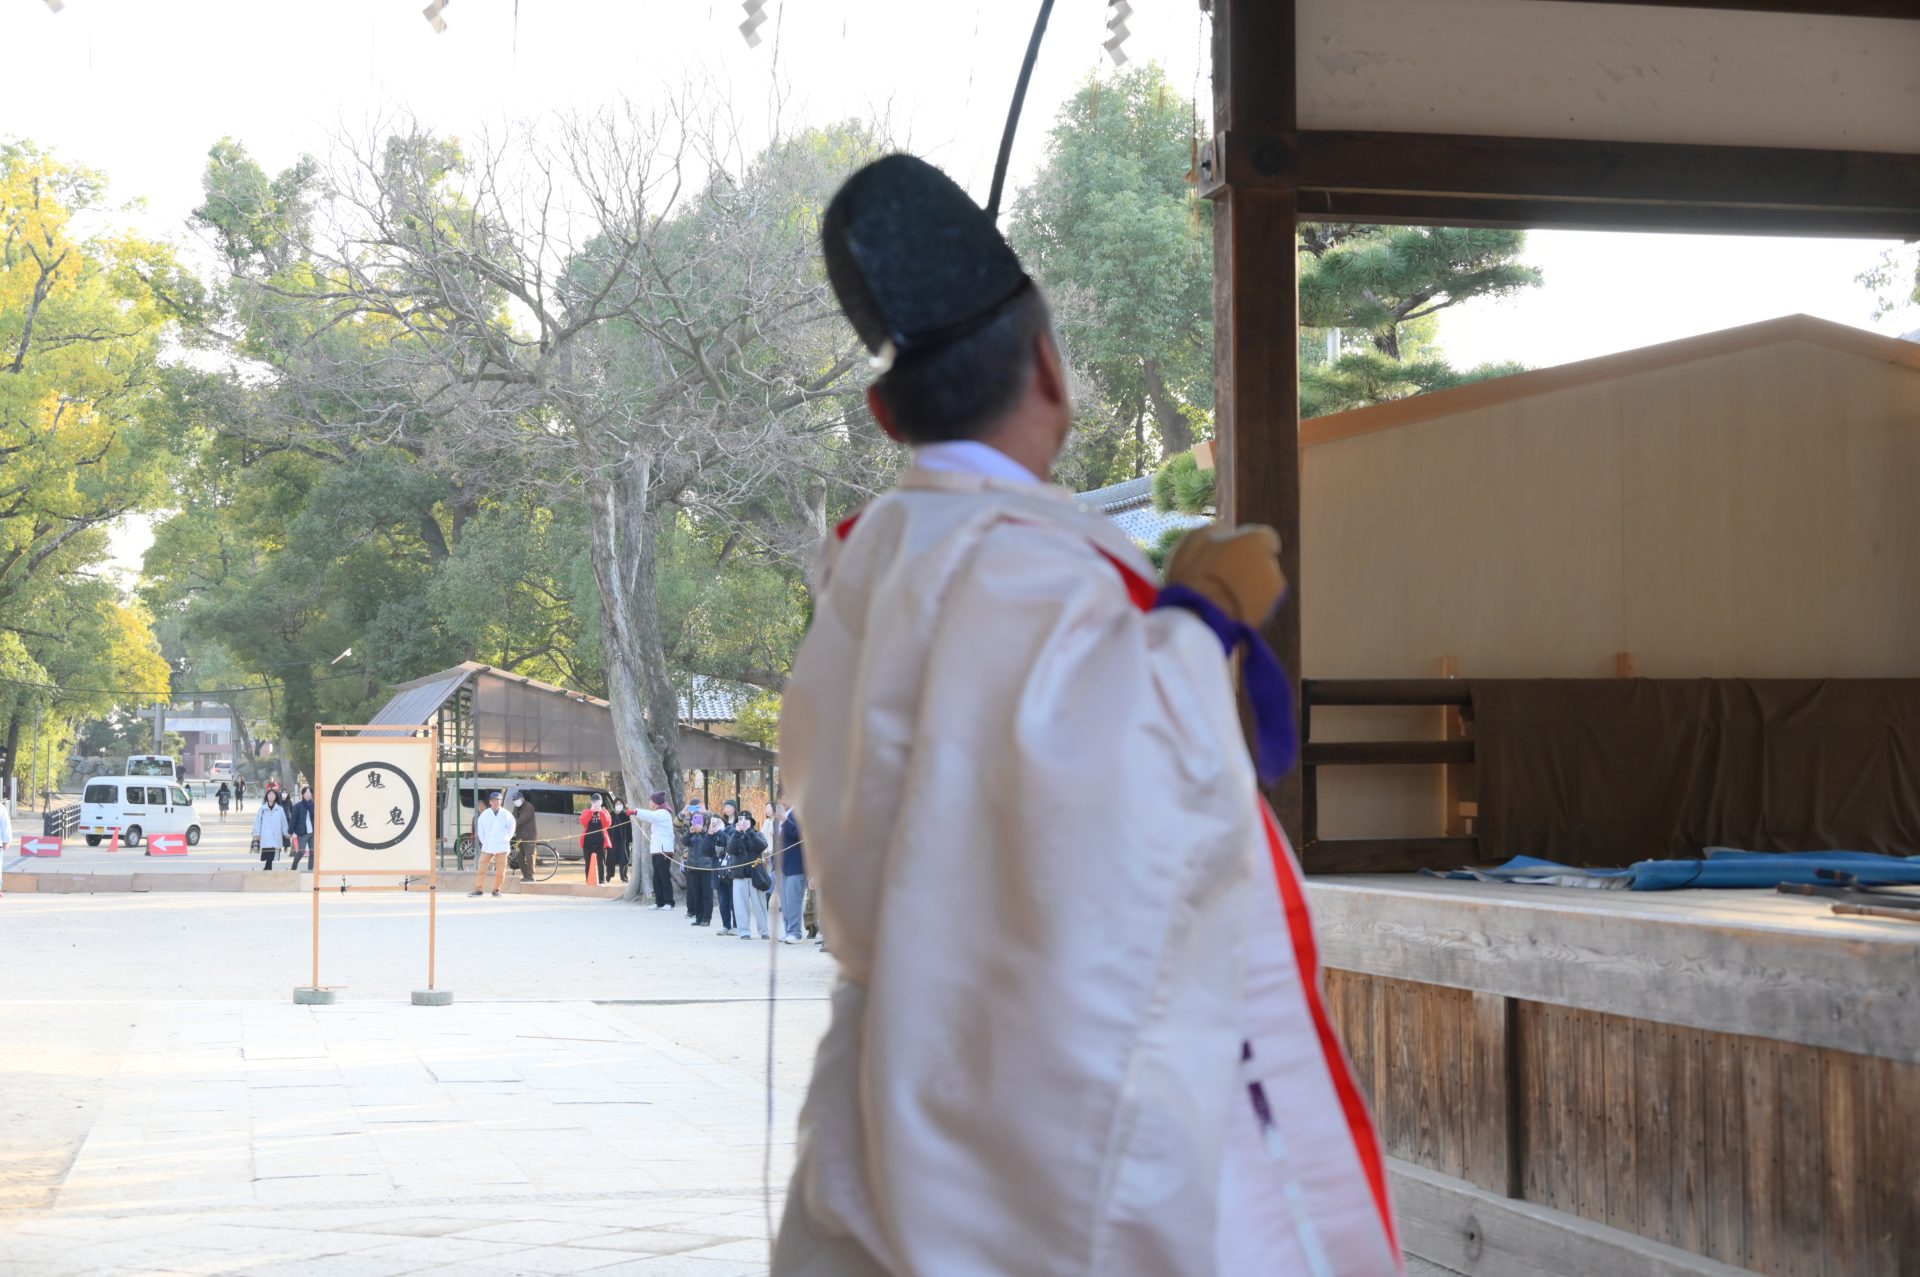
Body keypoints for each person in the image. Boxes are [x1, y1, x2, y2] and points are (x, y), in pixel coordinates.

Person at [770, 155, 1398, 1276]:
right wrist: (1201, 623)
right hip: (1043, 1089)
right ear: (1051, 369)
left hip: (888, 1072)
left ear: (884, 410)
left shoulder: (865, 572)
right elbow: (1116, 795)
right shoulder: (1025, 563)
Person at [727, 812, 770, 942]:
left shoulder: (757, 834)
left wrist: (749, 833)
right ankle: (744, 931)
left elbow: (762, 846)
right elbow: (730, 850)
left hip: (755, 875)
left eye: (747, 820)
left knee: (760, 905)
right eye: (741, 820)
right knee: (740, 905)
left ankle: (764, 930)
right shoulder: (735, 835)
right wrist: (737, 833)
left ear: (751, 823)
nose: (744, 823)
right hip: (739, 875)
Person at [630, 790, 676, 908]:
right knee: (656, 877)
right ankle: (659, 902)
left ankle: (669, 902)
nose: (649, 803)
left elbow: (651, 816)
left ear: (656, 803)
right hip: (657, 850)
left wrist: (636, 811)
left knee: (664, 876)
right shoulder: (659, 813)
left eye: (651, 801)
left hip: (664, 850)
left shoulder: (663, 813)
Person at [470, 790, 514, 897]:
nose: (495, 802)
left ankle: (497, 889)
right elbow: (480, 830)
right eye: (493, 800)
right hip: (488, 845)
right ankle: (479, 889)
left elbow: (511, 829)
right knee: (482, 867)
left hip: (502, 844)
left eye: (498, 800)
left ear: (501, 801)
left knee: (501, 869)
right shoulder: (485, 814)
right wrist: (485, 841)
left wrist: (505, 839)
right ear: (490, 802)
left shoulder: (507, 814)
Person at [777, 806, 806, 944]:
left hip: (796, 865)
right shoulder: (778, 817)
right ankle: (788, 930)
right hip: (782, 865)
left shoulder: (800, 812)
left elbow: (800, 835)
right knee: (785, 902)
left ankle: (795, 932)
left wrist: (785, 821)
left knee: (794, 901)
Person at [684, 813, 718, 927]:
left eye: (699, 820)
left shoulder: (708, 833)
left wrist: (703, 832)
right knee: (696, 893)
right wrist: (689, 832)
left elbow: (711, 843)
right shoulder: (690, 833)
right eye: (695, 820)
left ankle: (707, 918)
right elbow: (684, 841)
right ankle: (698, 918)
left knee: (707, 894)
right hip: (693, 867)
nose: (697, 823)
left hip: (706, 867)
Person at [251, 788, 289, 870]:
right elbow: (258, 821)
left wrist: (286, 833)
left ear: (276, 797)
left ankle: (267, 869)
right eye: (269, 794)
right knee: (268, 852)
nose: (271, 796)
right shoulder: (262, 809)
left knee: (272, 852)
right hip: (265, 834)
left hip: (276, 834)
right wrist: (257, 833)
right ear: (267, 796)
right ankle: (267, 869)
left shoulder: (280, 809)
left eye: (273, 794)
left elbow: (284, 822)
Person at [578, 795, 612, 884]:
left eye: (598, 802)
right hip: (588, 842)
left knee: (601, 862)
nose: (596, 804)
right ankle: (588, 881)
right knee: (588, 863)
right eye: (594, 802)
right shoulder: (586, 811)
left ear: (601, 802)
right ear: (591, 802)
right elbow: (583, 821)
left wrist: (601, 812)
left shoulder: (605, 812)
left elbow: (607, 824)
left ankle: (602, 881)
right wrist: (591, 811)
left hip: (601, 842)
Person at [510, 790, 539, 882]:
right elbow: (512, 819)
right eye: (514, 800)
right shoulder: (516, 808)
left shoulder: (529, 807)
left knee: (529, 856)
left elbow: (520, 820)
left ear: (522, 798)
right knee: (520, 857)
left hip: (529, 837)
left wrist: (510, 827)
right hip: (519, 837)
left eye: (517, 799)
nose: (515, 801)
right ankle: (525, 875)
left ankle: (530, 876)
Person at [606, 796, 634, 885]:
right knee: (611, 859)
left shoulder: (626, 815)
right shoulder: (610, 815)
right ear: (614, 805)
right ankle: (609, 875)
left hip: (623, 841)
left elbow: (629, 829)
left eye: (620, 804)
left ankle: (624, 877)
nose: (619, 805)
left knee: (624, 859)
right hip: (612, 841)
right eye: (617, 804)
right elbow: (607, 828)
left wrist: (630, 840)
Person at [287, 786, 316, 871]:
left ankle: (310, 870)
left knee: (313, 852)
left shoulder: (314, 805)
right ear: (303, 794)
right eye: (306, 793)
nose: (308, 794)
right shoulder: (298, 806)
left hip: (312, 832)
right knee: (301, 851)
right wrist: (290, 832)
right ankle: (293, 867)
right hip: (302, 833)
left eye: (309, 793)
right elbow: (293, 820)